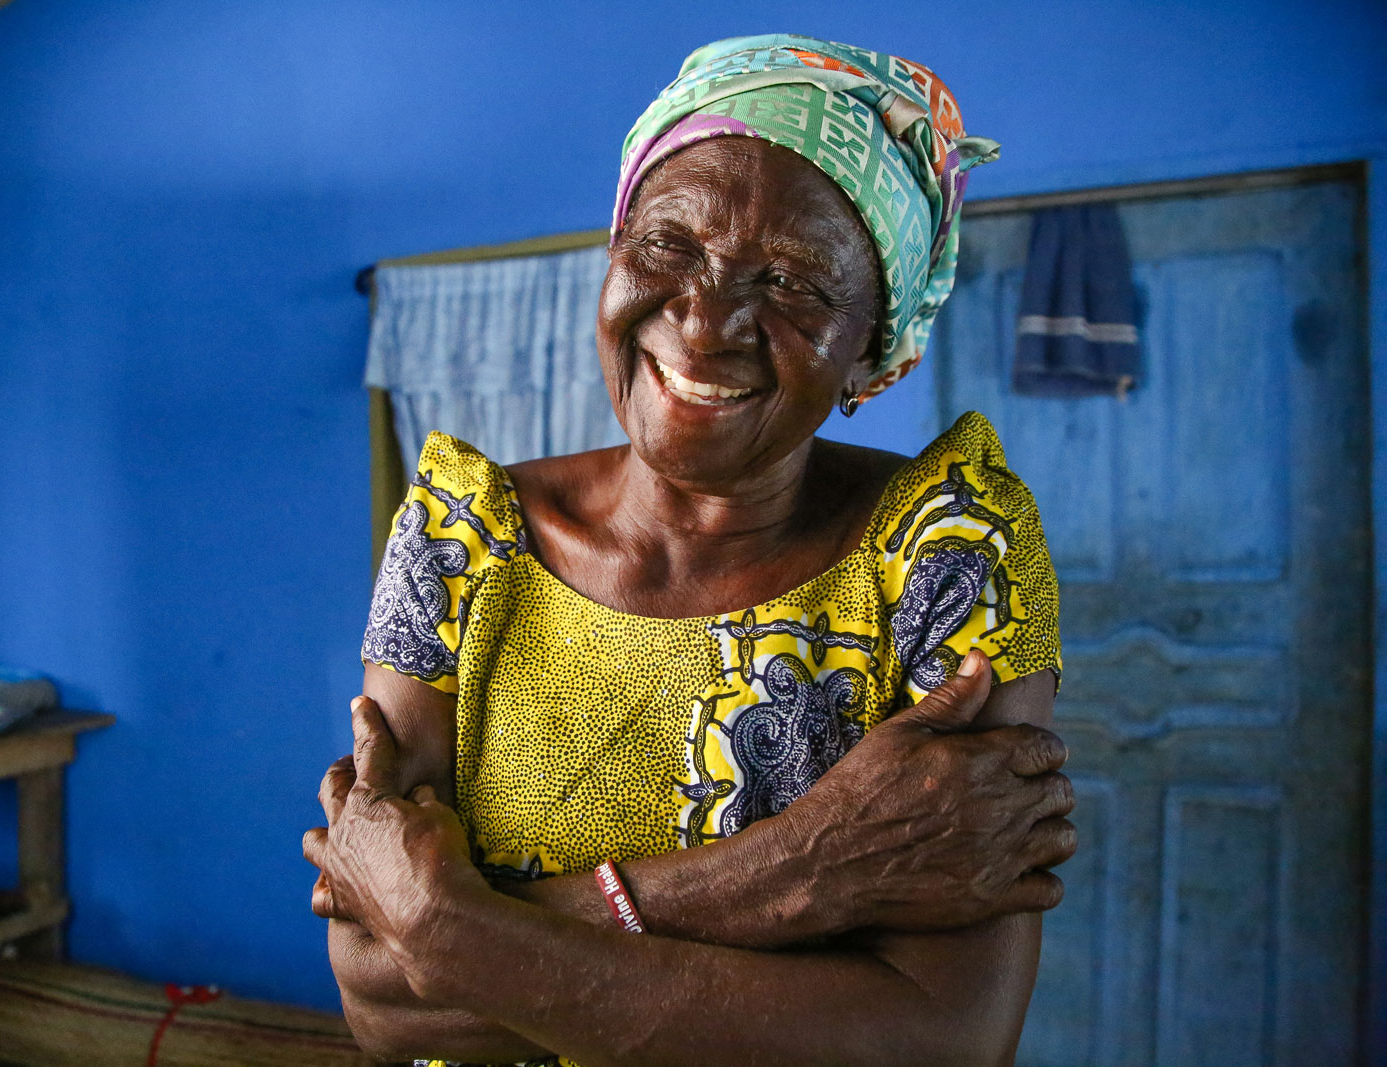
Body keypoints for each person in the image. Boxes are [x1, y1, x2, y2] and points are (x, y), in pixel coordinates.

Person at [305, 34, 1074, 1067]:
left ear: (875, 352)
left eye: (796, 280)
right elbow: (384, 1001)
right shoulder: (458, 537)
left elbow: (941, 1036)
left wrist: (452, 929)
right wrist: (794, 868)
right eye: (669, 244)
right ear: (614, 255)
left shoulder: (945, 553)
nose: (707, 320)